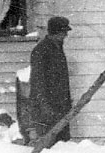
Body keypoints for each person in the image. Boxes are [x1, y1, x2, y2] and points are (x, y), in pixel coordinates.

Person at [29, 15, 73, 143]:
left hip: (60, 107)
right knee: (49, 145)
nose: (65, 35)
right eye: (63, 32)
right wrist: (45, 106)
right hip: (47, 108)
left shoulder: (57, 48)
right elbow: (37, 81)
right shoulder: (41, 51)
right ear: (55, 32)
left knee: (62, 145)